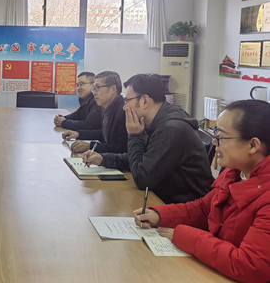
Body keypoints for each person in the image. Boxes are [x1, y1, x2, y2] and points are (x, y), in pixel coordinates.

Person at [133, 100, 270, 283]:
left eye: (221, 137)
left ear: (253, 145)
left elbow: (250, 266)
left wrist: (183, 235)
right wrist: (159, 215)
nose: (214, 142)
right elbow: (204, 209)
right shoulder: (235, 173)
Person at [84, 73, 213, 203]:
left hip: (184, 206)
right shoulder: (155, 121)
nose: (124, 107)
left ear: (145, 101)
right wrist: (103, 158)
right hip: (165, 198)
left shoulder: (171, 128)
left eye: (127, 101)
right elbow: (142, 160)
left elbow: (142, 179)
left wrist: (134, 136)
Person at [62, 71, 127, 155]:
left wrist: (91, 146)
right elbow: (103, 133)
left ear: (113, 89)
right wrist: (78, 134)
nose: (94, 93)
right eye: (93, 89)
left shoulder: (123, 111)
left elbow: (122, 149)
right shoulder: (107, 108)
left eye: (97, 88)